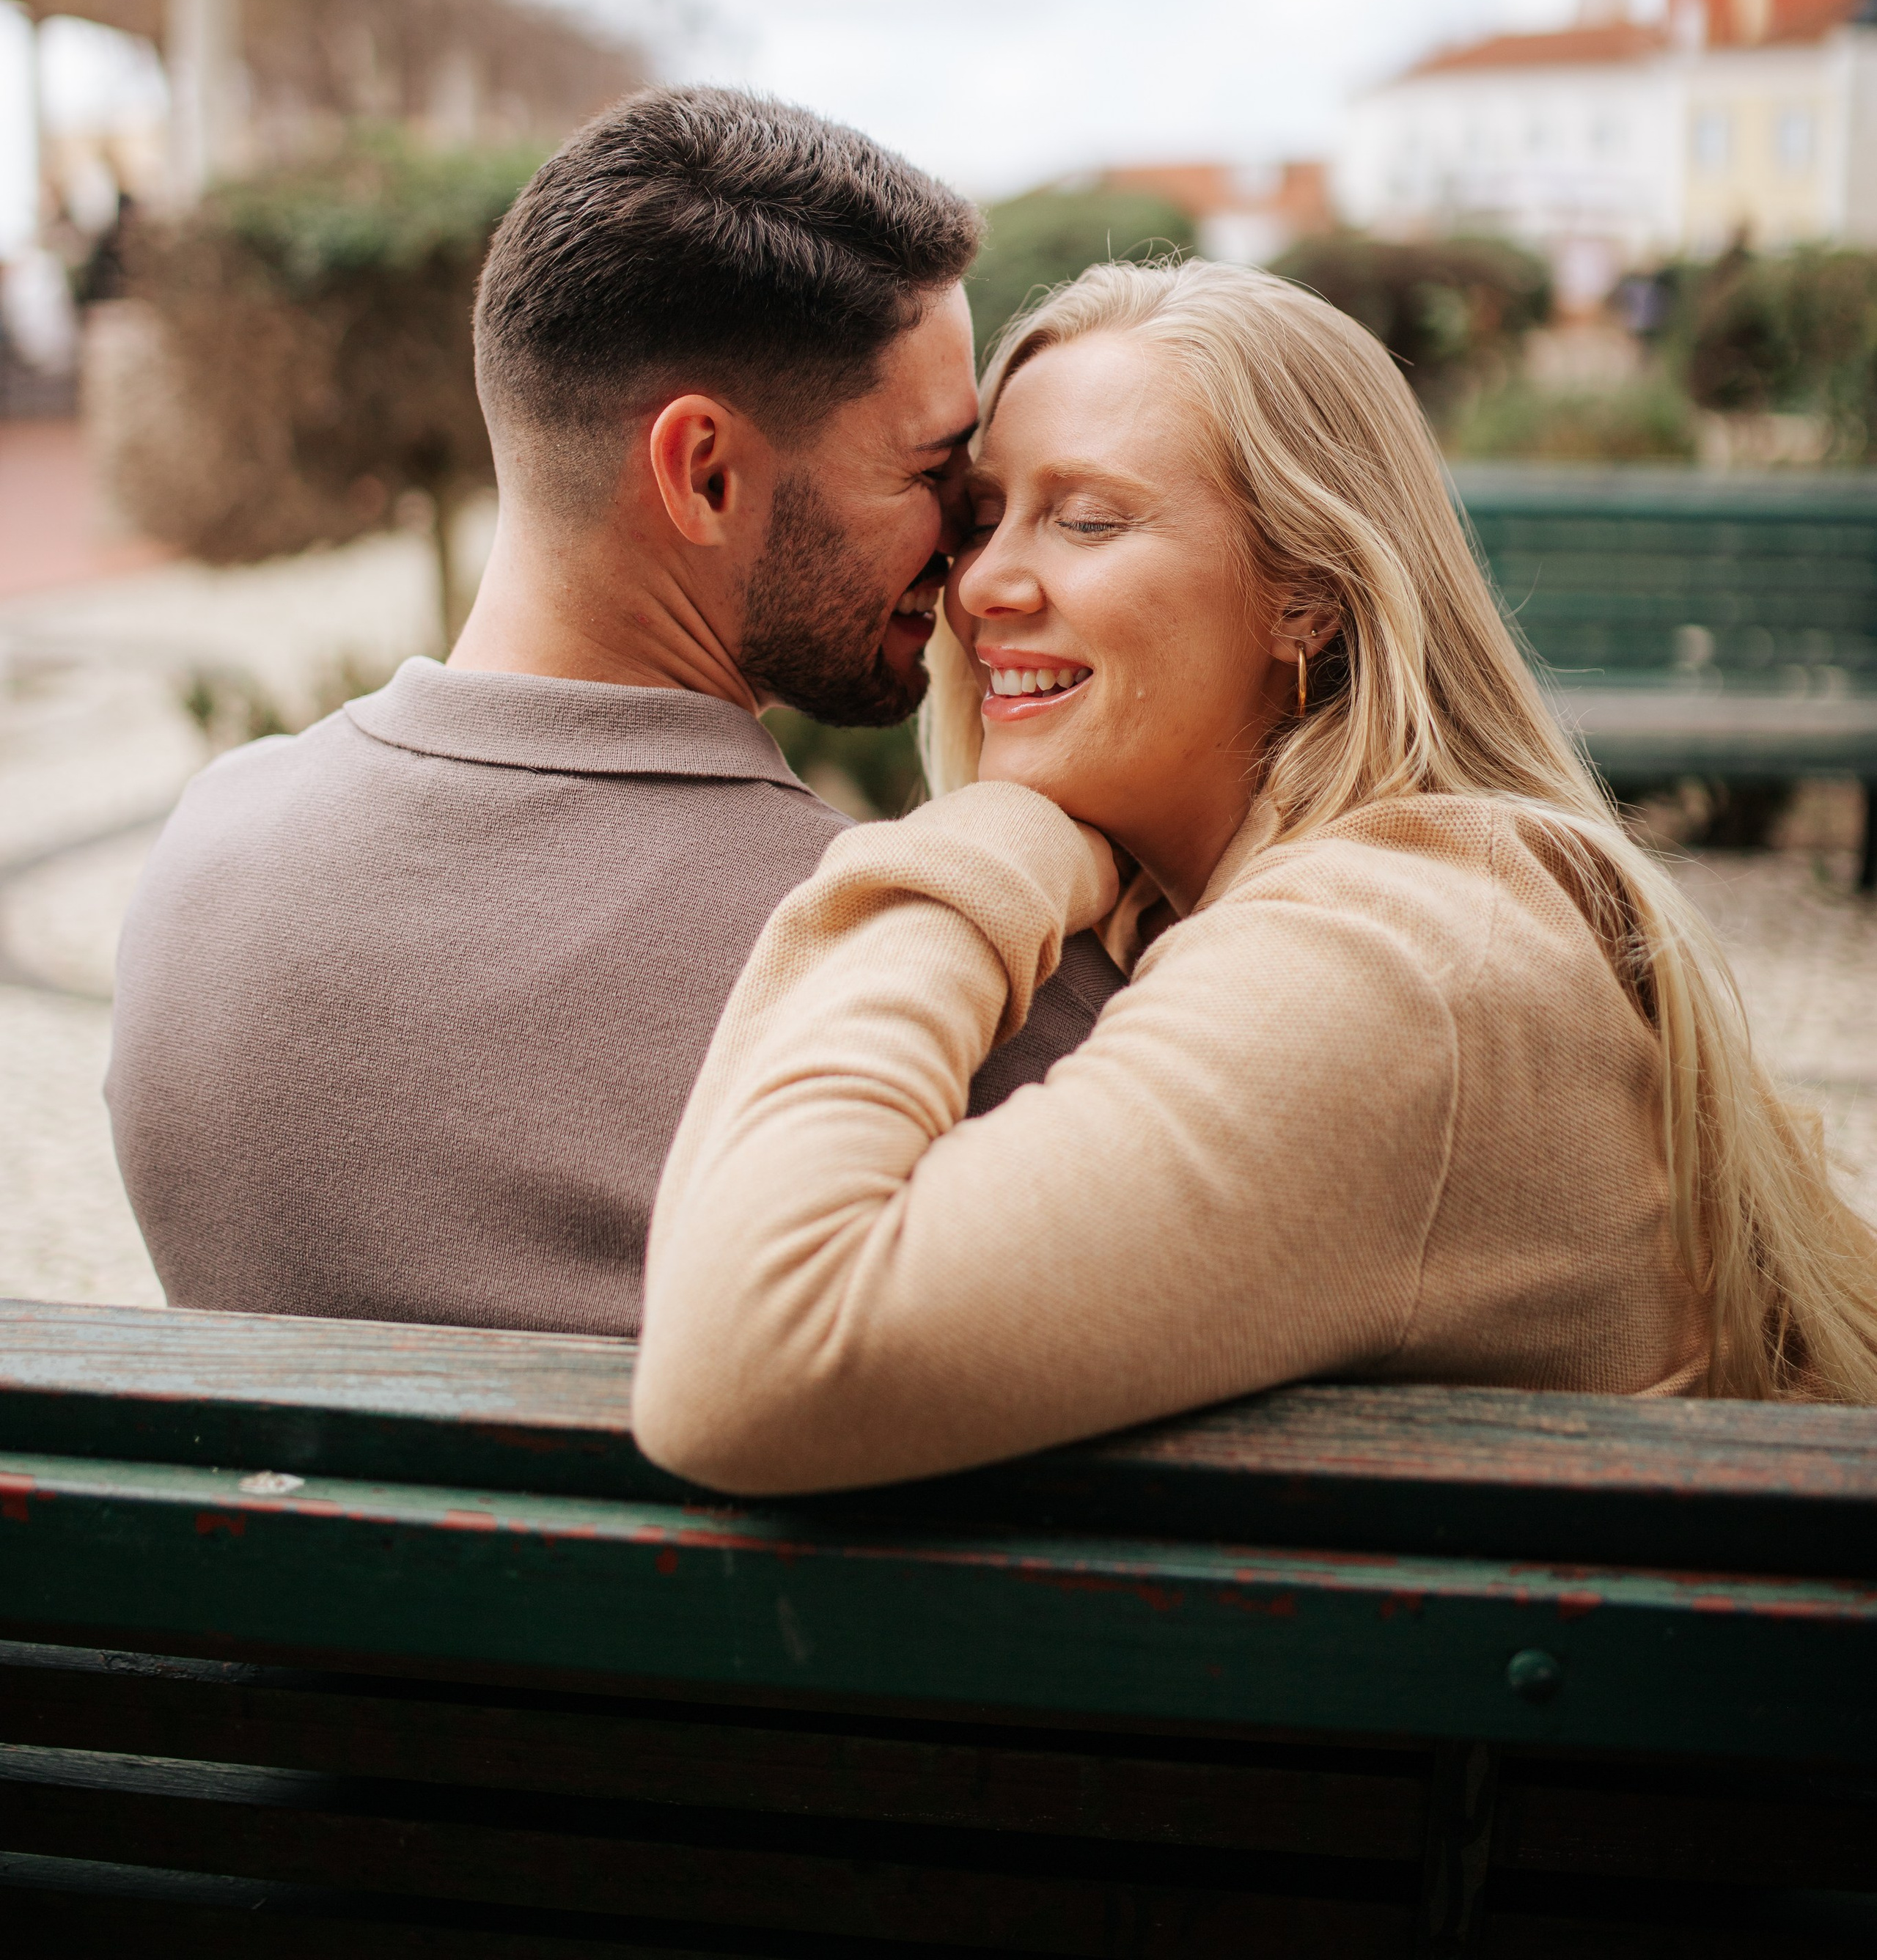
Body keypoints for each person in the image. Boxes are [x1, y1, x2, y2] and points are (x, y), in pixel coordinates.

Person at [635, 258, 1877, 1493]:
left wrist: (969, 851)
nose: (982, 588)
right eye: (980, 518)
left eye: (1087, 519)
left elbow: (750, 1361)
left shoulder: (1394, 959)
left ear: (1308, 596)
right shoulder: (1328, 903)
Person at [107, 90, 1120, 1334]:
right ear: (702, 471)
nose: (969, 540)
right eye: (928, 471)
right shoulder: (926, 970)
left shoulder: (206, 858)